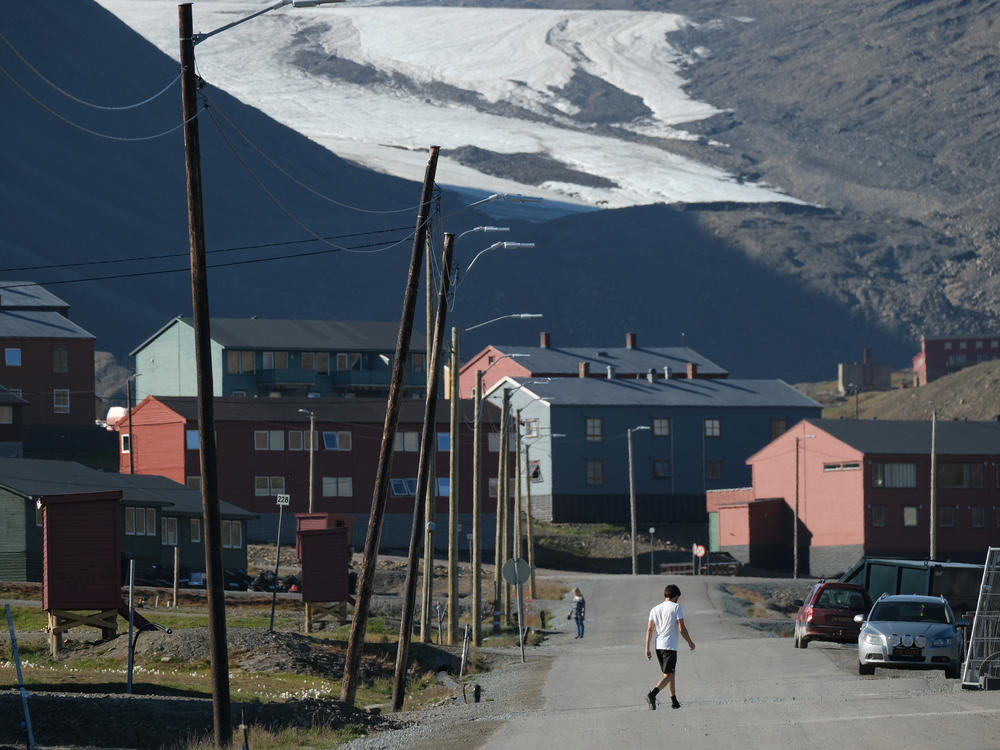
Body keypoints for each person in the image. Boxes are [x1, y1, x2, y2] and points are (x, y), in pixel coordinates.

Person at [644, 583, 695, 709]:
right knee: (669, 675)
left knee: (670, 673)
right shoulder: (676, 607)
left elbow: (650, 629)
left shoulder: (654, 609)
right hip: (669, 646)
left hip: (658, 646)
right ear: (676, 596)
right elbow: (681, 628)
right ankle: (653, 694)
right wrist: (690, 642)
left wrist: (647, 648)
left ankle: (674, 701)